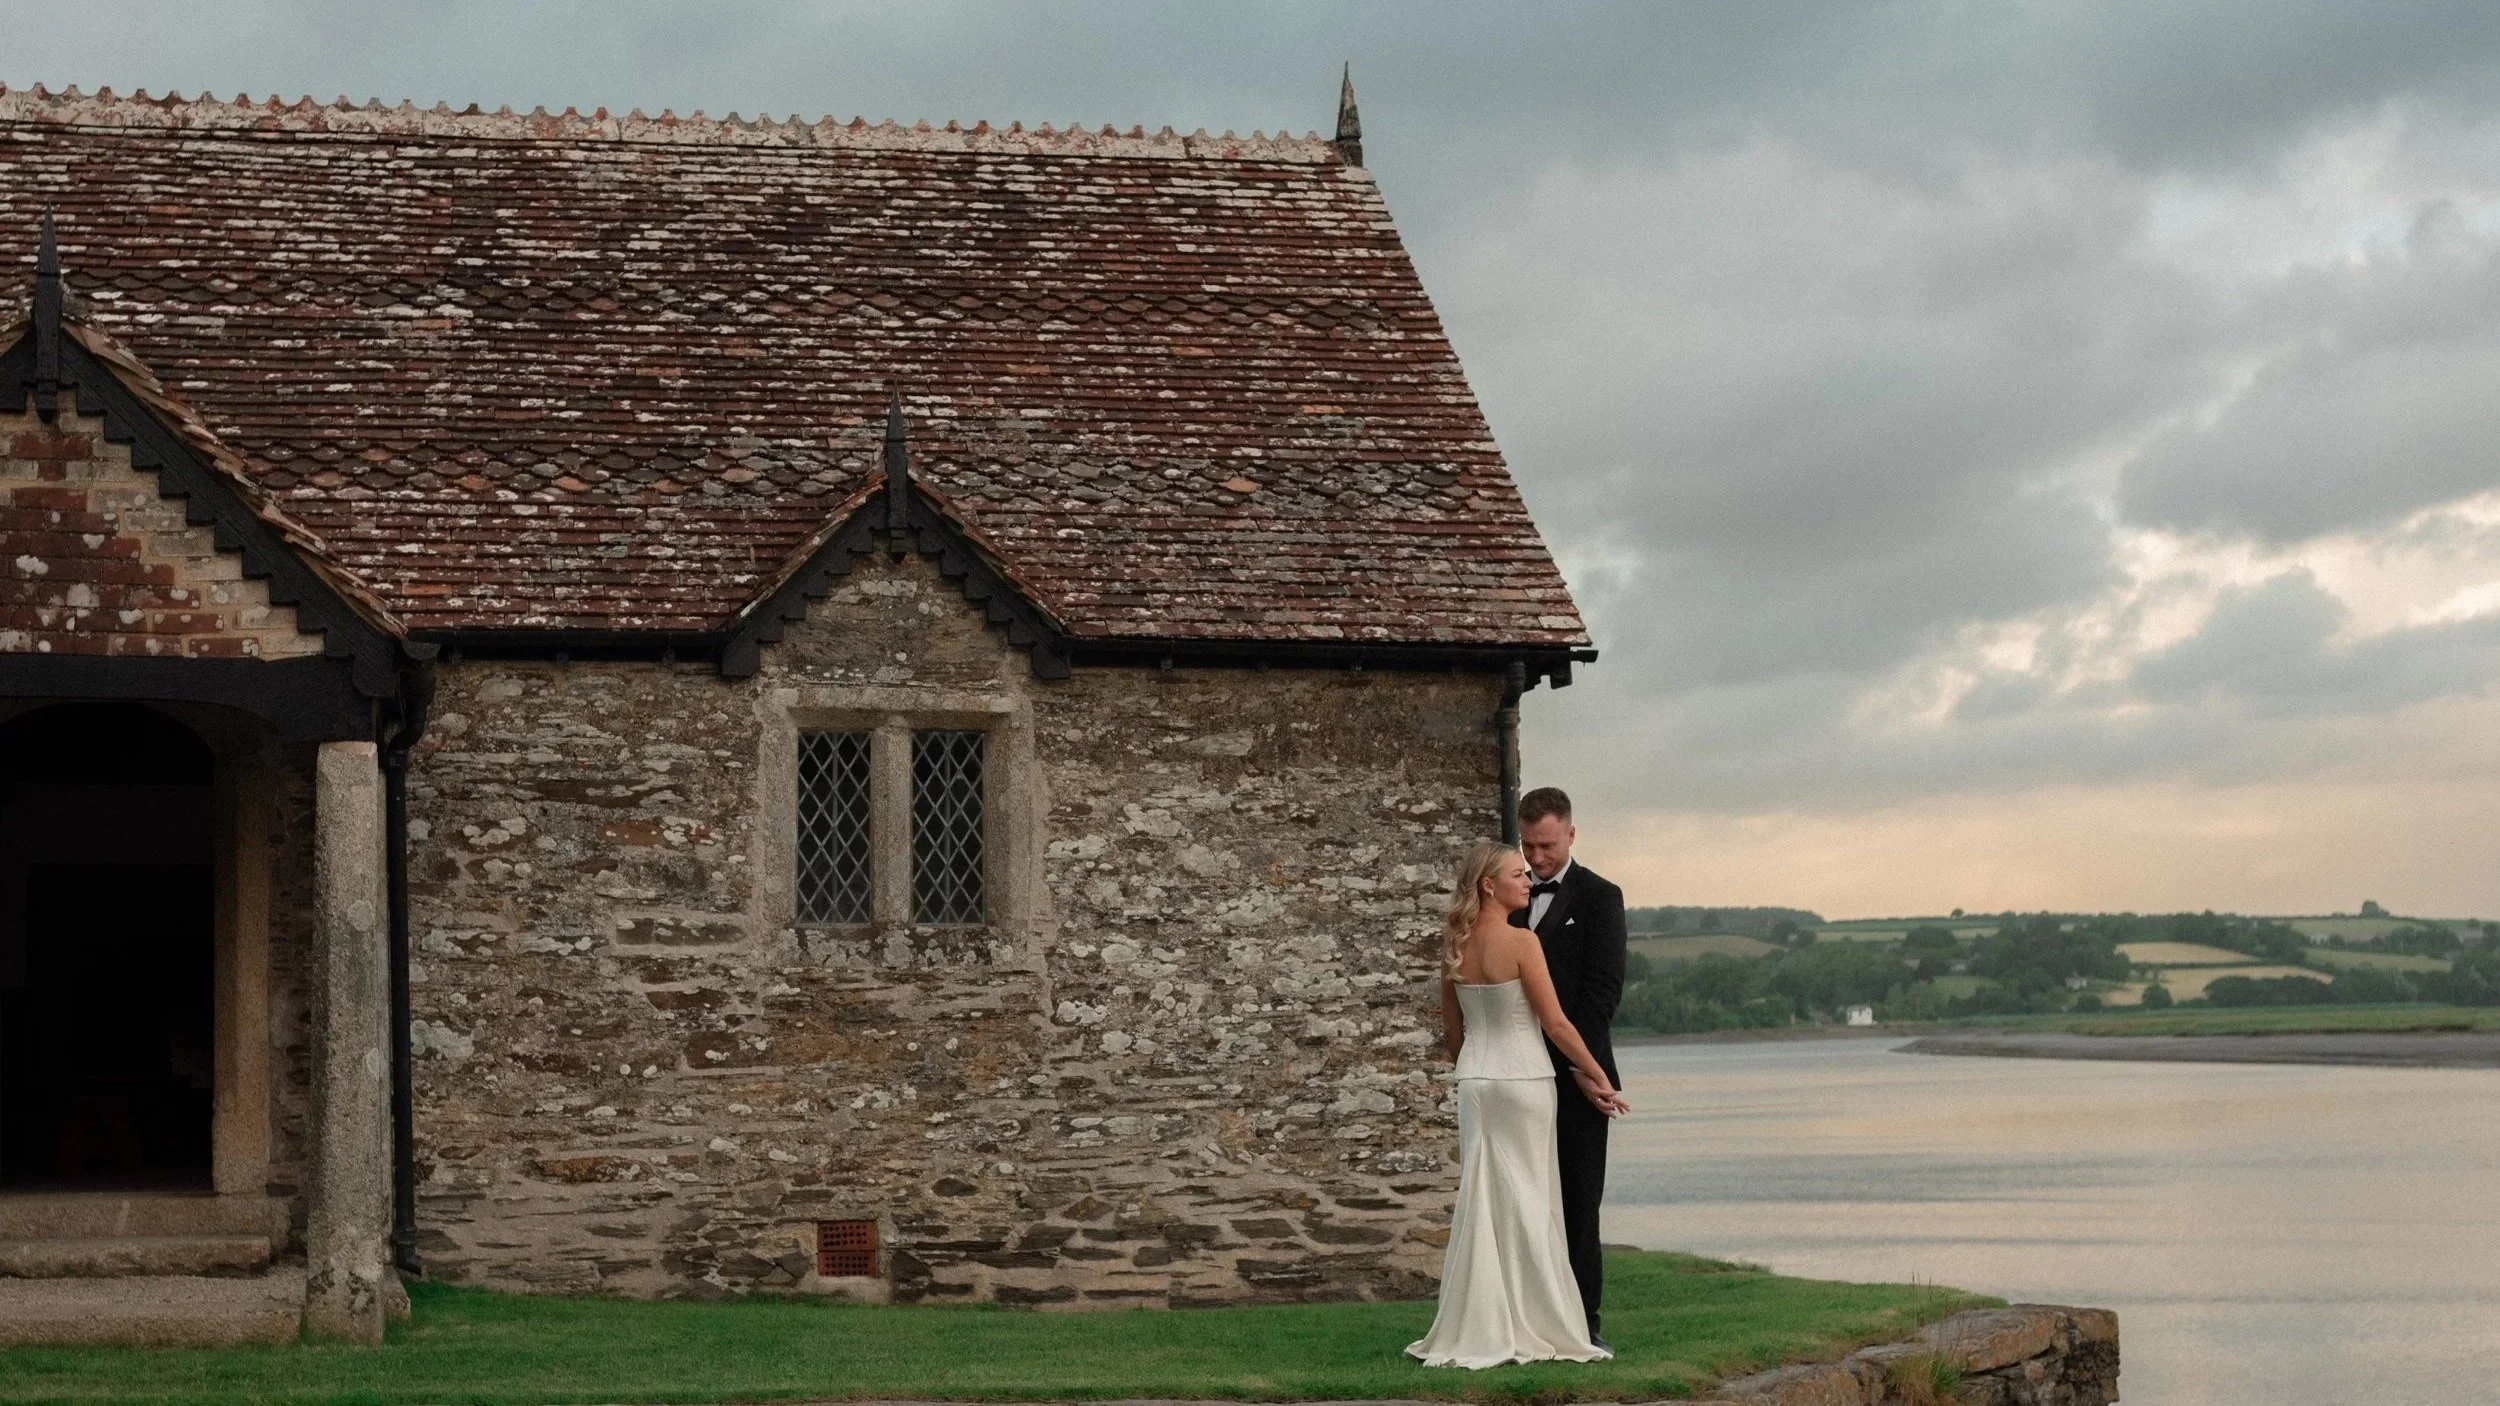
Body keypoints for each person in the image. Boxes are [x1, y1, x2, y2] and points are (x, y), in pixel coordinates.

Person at [1406, 839, 1628, 1370]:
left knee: (1483, 1201)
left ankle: (1479, 1324)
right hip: (1526, 1079)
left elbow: (1453, 1033)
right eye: (1516, 874)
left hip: (1476, 1084)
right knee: (1531, 1199)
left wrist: (1475, 1070)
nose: (1527, 881)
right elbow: (1556, 1024)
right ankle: (1542, 1322)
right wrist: (1597, 1074)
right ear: (1489, 886)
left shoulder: (1453, 945)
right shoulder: (1523, 942)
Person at [1512, 785, 1627, 1345]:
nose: (1536, 859)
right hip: (1514, 1069)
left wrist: (1583, 1067)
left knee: (1581, 1201)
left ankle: (1585, 1326)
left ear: (1572, 835)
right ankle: (1527, 1319)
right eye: (1529, 846)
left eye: (1547, 846)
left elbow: (1601, 995)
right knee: (1522, 1199)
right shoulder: (1505, 899)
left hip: (1582, 1073)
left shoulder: (1602, 897)